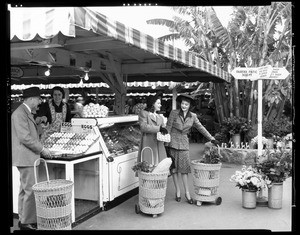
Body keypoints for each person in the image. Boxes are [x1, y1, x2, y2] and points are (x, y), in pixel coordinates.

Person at [165, 93, 219, 204]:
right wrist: (166, 145)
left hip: (184, 144)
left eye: (186, 104)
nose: (184, 106)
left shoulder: (193, 116)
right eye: (183, 104)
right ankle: (178, 191)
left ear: (190, 105)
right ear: (180, 104)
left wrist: (212, 138)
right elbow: (168, 128)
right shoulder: (174, 113)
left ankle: (187, 193)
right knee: (174, 169)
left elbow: (201, 128)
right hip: (172, 143)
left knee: (185, 169)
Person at [11, 87, 52, 230]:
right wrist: (42, 149)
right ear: (31, 99)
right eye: (38, 99)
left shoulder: (25, 112)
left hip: (27, 157)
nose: (40, 102)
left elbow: (29, 134)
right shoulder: (20, 113)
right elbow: (25, 137)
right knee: (30, 190)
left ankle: (23, 219)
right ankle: (27, 223)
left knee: (24, 190)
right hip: (26, 157)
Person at [137, 92, 168, 167]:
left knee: (159, 167)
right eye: (158, 103)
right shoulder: (144, 113)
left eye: (160, 103)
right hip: (148, 143)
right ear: (152, 103)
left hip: (159, 145)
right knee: (149, 166)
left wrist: (164, 130)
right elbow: (143, 127)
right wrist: (159, 128)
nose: (160, 105)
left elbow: (162, 129)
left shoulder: (160, 117)